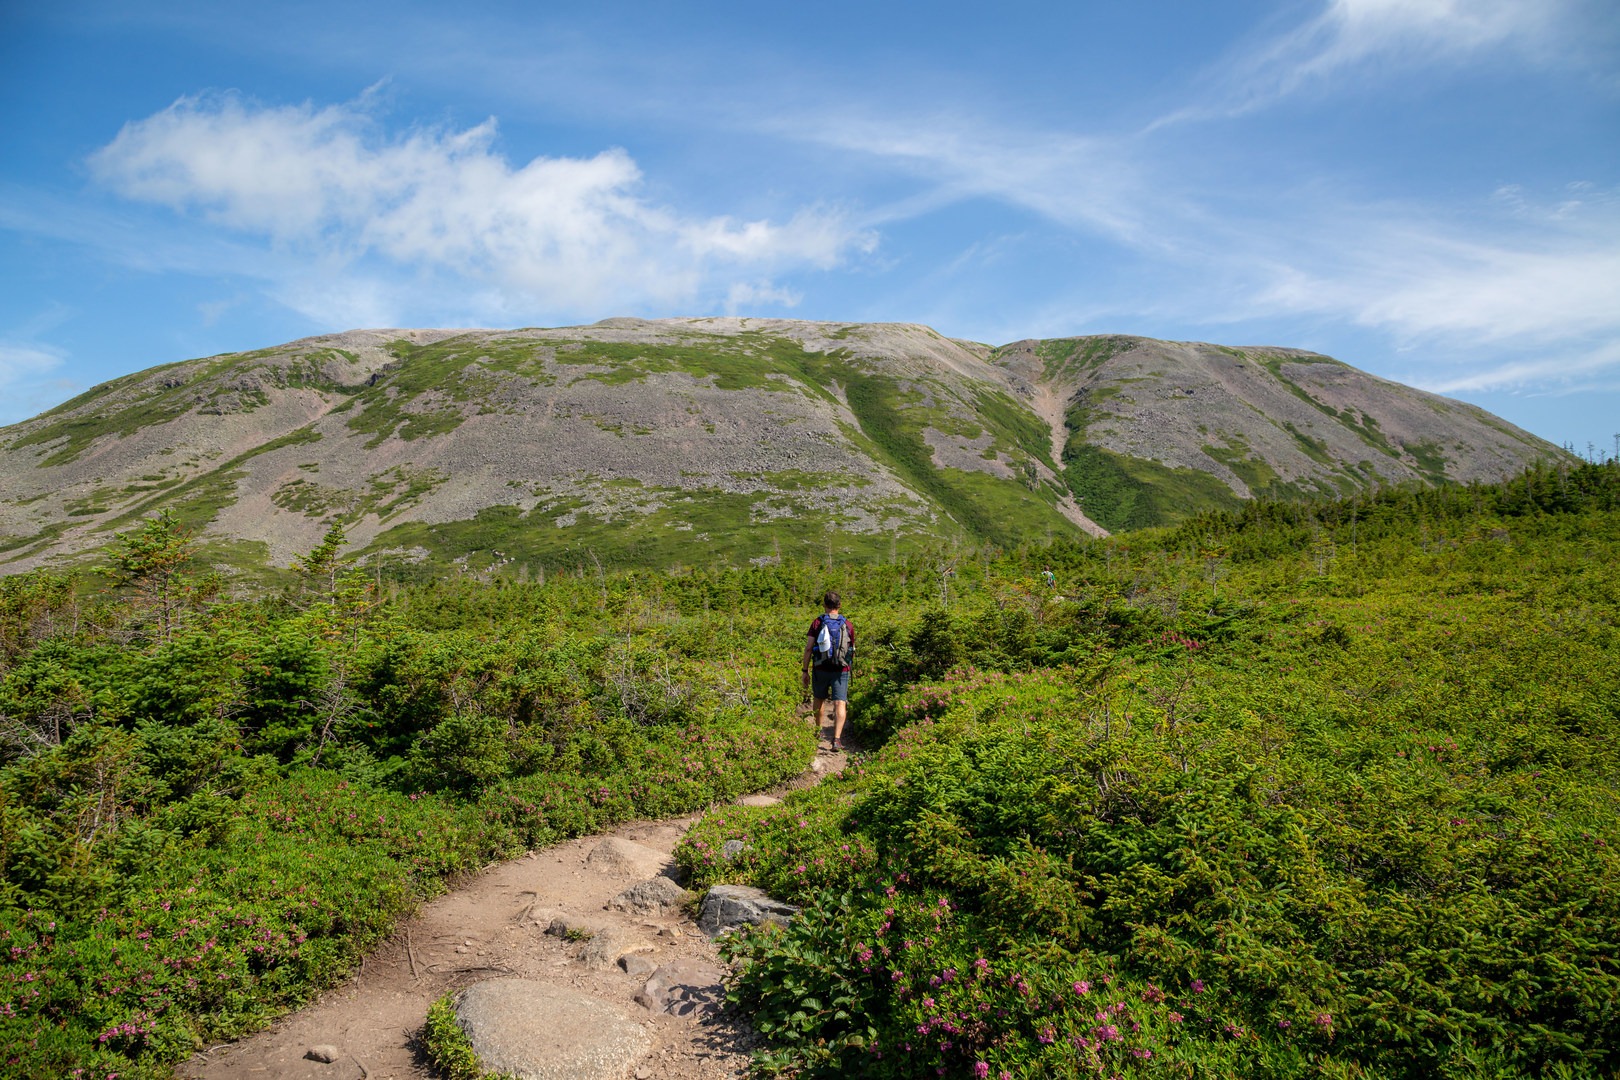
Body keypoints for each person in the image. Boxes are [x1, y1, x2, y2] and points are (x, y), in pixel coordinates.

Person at [801, 590, 854, 751]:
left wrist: (805, 670)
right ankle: (836, 739)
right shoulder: (848, 624)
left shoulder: (817, 623)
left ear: (824, 605)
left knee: (819, 699)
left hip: (820, 667)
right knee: (840, 703)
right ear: (839, 605)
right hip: (841, 669)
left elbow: (809, 648)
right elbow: (851, 649)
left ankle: (817, 732)